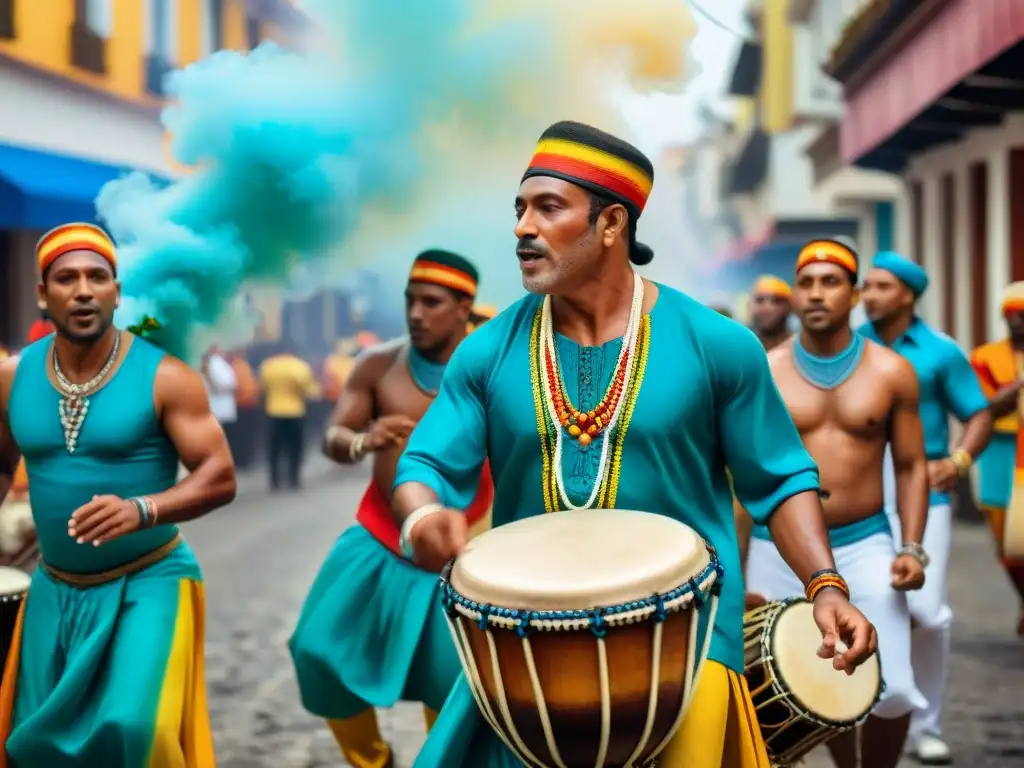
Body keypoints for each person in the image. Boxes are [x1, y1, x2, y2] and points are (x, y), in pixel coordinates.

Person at [390, 121, 877, 768]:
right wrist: (424, 515)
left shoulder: (717, 344)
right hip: (528, 644)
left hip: (691, 638)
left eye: (548, 207)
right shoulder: (488, 350)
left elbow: (780, 478)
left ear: (612, 223)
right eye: (519, 209)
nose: (522, 228)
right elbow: (424, 462)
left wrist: (826, 587)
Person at [0, 222, 237, 766]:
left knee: (137, 730)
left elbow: (220, 475)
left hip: (149, 581)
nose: (82, 290)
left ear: (116, 291)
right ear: (43, 294)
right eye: (66, 278)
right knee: (35, 747)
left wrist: (143, 508)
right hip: (54, 589)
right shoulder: (13, 377)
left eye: (96, 277)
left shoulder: (167, 375)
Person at [289, 250, 494, 768]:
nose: (417, 313)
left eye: (432, 302)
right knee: (317, 650)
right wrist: (363, 441)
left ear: (464, 306)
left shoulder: (493, 364)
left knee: (450, 686)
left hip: (466, 548)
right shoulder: (378, 363)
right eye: (410, 301)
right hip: (381, 537)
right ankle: (373, 761)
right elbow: (334, 436)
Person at [740, 239, 929, 768]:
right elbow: (740, 476)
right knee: (795, 684)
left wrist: (911, 546)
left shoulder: (892, 372)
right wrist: (734, 566)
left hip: (863, 541)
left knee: (891, 687)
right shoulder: (764, 370)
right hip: (774, 546)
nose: (817, 293)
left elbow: (912, 466)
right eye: (806, 283)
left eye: (831, 282)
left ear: (854, 294)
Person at [859, 250, 993, 765]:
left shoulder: (940, 352)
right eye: (866, 286)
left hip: (927, 491)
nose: (869, 295)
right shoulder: (849, 348)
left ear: (908, 296)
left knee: (926, 614)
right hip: (864, 492)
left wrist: (958, 461)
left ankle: (927, 725)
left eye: (882, 287)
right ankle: (871, 713)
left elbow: (978, 413)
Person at [970, 281, 1024, 637]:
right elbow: (982, 407)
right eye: (1012, 314)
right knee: (1007, 542)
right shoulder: (986, 357)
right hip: (1000, 454)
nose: (1018, 321)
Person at [257, 341, 320, 491]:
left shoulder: (268, 366)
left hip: (273, 412)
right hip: (295, 412)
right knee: (295, 449)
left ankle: (274, 482)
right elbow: (309, 391)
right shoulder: (300, 366)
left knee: (274, 449)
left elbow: (262, 389)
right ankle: (294, 480)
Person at [748, 275, 792, 351]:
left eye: (776, 301)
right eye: (760, 300)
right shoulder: (740, 349)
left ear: (790, 307)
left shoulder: (802, 351)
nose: (767, 308)